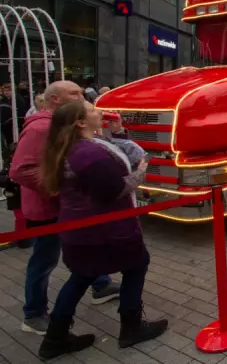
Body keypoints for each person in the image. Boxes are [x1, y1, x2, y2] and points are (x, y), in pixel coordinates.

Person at [35, 100, 166, 359]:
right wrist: (142, 171)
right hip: (106, 231)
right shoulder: (87, 154)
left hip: (83, 231)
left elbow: (114, 152)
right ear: (80, 122)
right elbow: (114, 187)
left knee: (82, 276)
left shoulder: (79, 147)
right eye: (91, 109)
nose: (99, 111)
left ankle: (55, 337)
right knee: (137, 264)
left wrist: (117, 133)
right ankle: (131, 326)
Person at [10, 81, 120, 336]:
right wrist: (59, 188)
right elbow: (20, 170)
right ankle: (34, 314)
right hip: (49, 208)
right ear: (55, 99)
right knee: (45, 259)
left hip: (71, 205)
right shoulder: (40, 127)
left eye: (82, 92)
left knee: (90, 243)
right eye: (75, 93)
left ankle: (101, 285)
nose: (82, 96)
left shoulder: (67, 123)